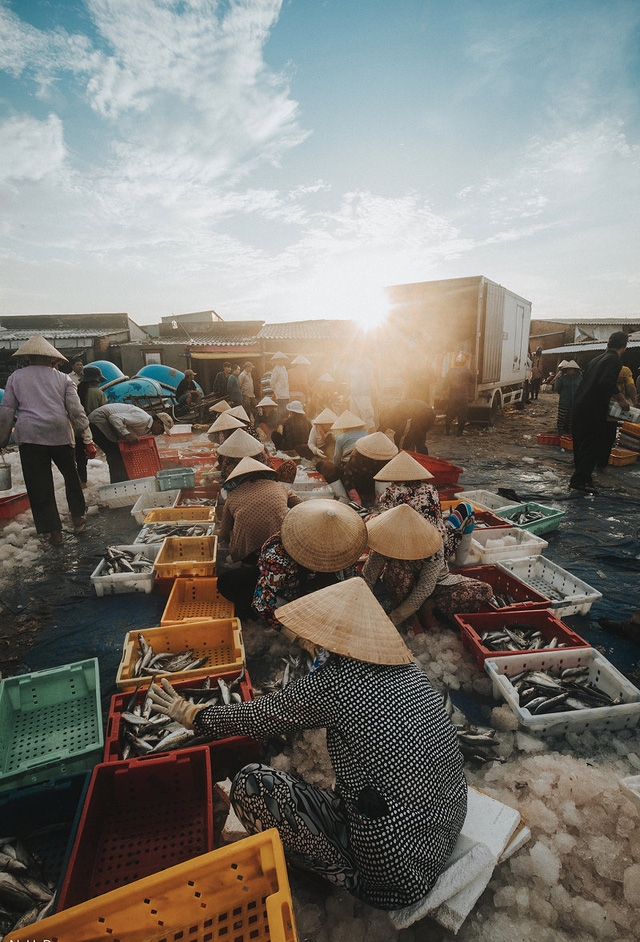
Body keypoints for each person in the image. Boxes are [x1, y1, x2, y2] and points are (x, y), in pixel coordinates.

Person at [148, 577, 467, 911]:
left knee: (251, 784)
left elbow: (259, 718)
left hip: (397, 877)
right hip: (444, 825)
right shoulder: (409, 671)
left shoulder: (336, 683)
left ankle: (337, 874)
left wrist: (192, 715)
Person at [0, 336, 95, 544]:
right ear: (53, 359)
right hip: (59, 433)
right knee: (71, 476)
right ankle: (78, 517)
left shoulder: (16, 377)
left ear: (28, 357)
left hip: (30, 436)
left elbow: (6, 409)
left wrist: (2, 440)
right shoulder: (63, 379)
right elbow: (76, 410)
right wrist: (87, 438)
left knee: (39, 484)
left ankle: (54, 533)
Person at [362, 504, 492, 630]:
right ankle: (411, 617)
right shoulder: (385, 539)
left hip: (436, 584)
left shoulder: (433, 540)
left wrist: (394, 618)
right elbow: (368, 575)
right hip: (401, 586)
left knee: (484, 590)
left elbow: (425, 586)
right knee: (397, 567)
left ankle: (427, 608)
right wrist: (360, 606)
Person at [252, 500, 366, 630]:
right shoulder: (278, 556)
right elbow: (261, 603)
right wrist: (295, 637)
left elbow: (350, 576)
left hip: (320, 592)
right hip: (289, 596)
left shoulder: (344, 546)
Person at [375, 450, 470, 563]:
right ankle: (461, 562)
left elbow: (384, 526)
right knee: (466, 508)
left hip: (401, 552)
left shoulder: (389, 494)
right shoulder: (430, 489)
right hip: (436, 550)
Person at [570, 331, 631, 494]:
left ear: (608, 343)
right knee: (594, 444)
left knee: (581, 443)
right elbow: (605, 382)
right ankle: (580, 481)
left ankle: (582, 478)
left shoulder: (596, 359)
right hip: (593, 407)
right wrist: (622, 400)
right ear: (624, 347)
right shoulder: (614, 360)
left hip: (580, 404)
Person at [217, 456, 301, 563]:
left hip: (245, 555)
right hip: (278, 550)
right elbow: (300, 506)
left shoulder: (232, 496)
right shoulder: (280, 487)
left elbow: (224, 533)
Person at [88, 404, 173, 483]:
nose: (161, 433)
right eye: (162, 430)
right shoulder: (143, 419)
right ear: (158, 422)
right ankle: (120, 484)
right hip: (99, 419)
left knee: (118, 454)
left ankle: (121, 482)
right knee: (116, 454)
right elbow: (114, 418)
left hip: (105, 421)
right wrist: (127, 434)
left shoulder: (147, 429)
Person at [598, 364, 639, 470]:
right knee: (608, 438)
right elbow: (631, 386)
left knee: (594, 436)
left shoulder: (599, 367)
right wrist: (634, 401)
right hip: (614, 409)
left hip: (598, 408)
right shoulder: (624, 370)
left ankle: (596, 463)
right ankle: (602, 465)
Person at [341, 432, 398, 505]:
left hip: (379, 491)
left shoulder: (387, 458)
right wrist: (355, 498)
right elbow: (347, 476)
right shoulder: (358, 455)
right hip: (361, 489)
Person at [75, 365, 107, 487]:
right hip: (96, 429)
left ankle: (82, 483)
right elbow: (104, 413)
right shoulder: (98, 393)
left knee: (80, 459)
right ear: (95, 380)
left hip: (78, 429)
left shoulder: (76, 391)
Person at [444, 354, 474, 436]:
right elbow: (473, 380)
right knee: (462, 415)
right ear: (464, 363)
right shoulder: (467, 371)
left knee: (449, 414)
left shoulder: (451, 371)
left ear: (456, 362)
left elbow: (445, 383)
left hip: (453, 396)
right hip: (463, 396)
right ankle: (459, 432)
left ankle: (447, 431)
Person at [348, 358, 377, 431]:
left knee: (368, 421)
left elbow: (371, 380)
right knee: (356, 422)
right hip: (353, 395)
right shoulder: (350, 365)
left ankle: (373, 441)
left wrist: (376, 395)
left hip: (363, 395)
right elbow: (349, 382)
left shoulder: (366, 363)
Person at [554, 361, 582, 436]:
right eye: (568, 369)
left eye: (571, 369)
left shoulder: (579, 378)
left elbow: (581, 389)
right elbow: (558, 389)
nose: (570, 370)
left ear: (575, 370)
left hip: (574, 402)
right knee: (561, 418)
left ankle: (570, 433)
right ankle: (560, 432)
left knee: (571, 419)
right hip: (564, 402)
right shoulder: (563, 378)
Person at [269, 352, 290, 417]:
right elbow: (272, 382)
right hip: (280, 393)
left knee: (286, 410)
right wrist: (275, 389)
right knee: (281, 411)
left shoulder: (284, 368)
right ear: (277, 360)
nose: (282, 361)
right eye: (280, 360)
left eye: (282, 360)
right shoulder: (276, 369)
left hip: (286, 393)